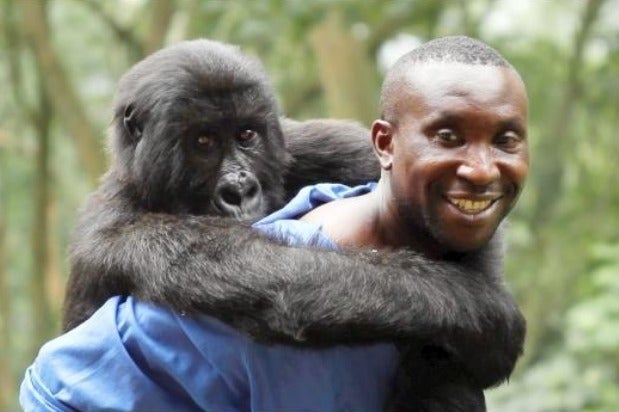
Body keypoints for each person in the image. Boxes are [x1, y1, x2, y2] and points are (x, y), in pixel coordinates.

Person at [20, 35, 529, 411]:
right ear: (136, 133)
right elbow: (279, 295)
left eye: (246, 138)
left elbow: (453, 202)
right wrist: (467, 303)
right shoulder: (120, 233)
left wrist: (472, 311)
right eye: (203, 146)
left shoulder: (316, 152)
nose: (238, 182)